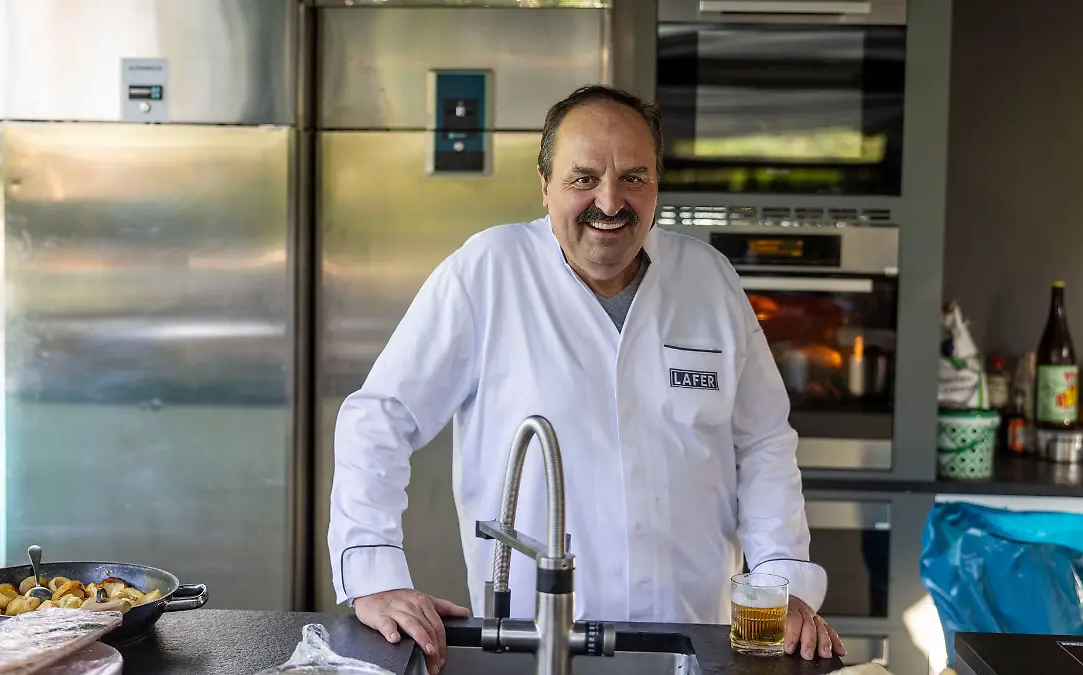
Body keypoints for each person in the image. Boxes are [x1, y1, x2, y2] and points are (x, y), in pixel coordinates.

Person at [328, 84, 845, 674]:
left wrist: (782, 582)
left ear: (656, 184)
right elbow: (381, 417)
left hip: (693, 643)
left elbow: (762, 444)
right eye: (583, 179)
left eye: (633, 177)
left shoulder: (707, 279)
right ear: (544, 184)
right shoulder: (489, 272)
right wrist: (372, 573)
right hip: (530, 645)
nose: (610, 200)